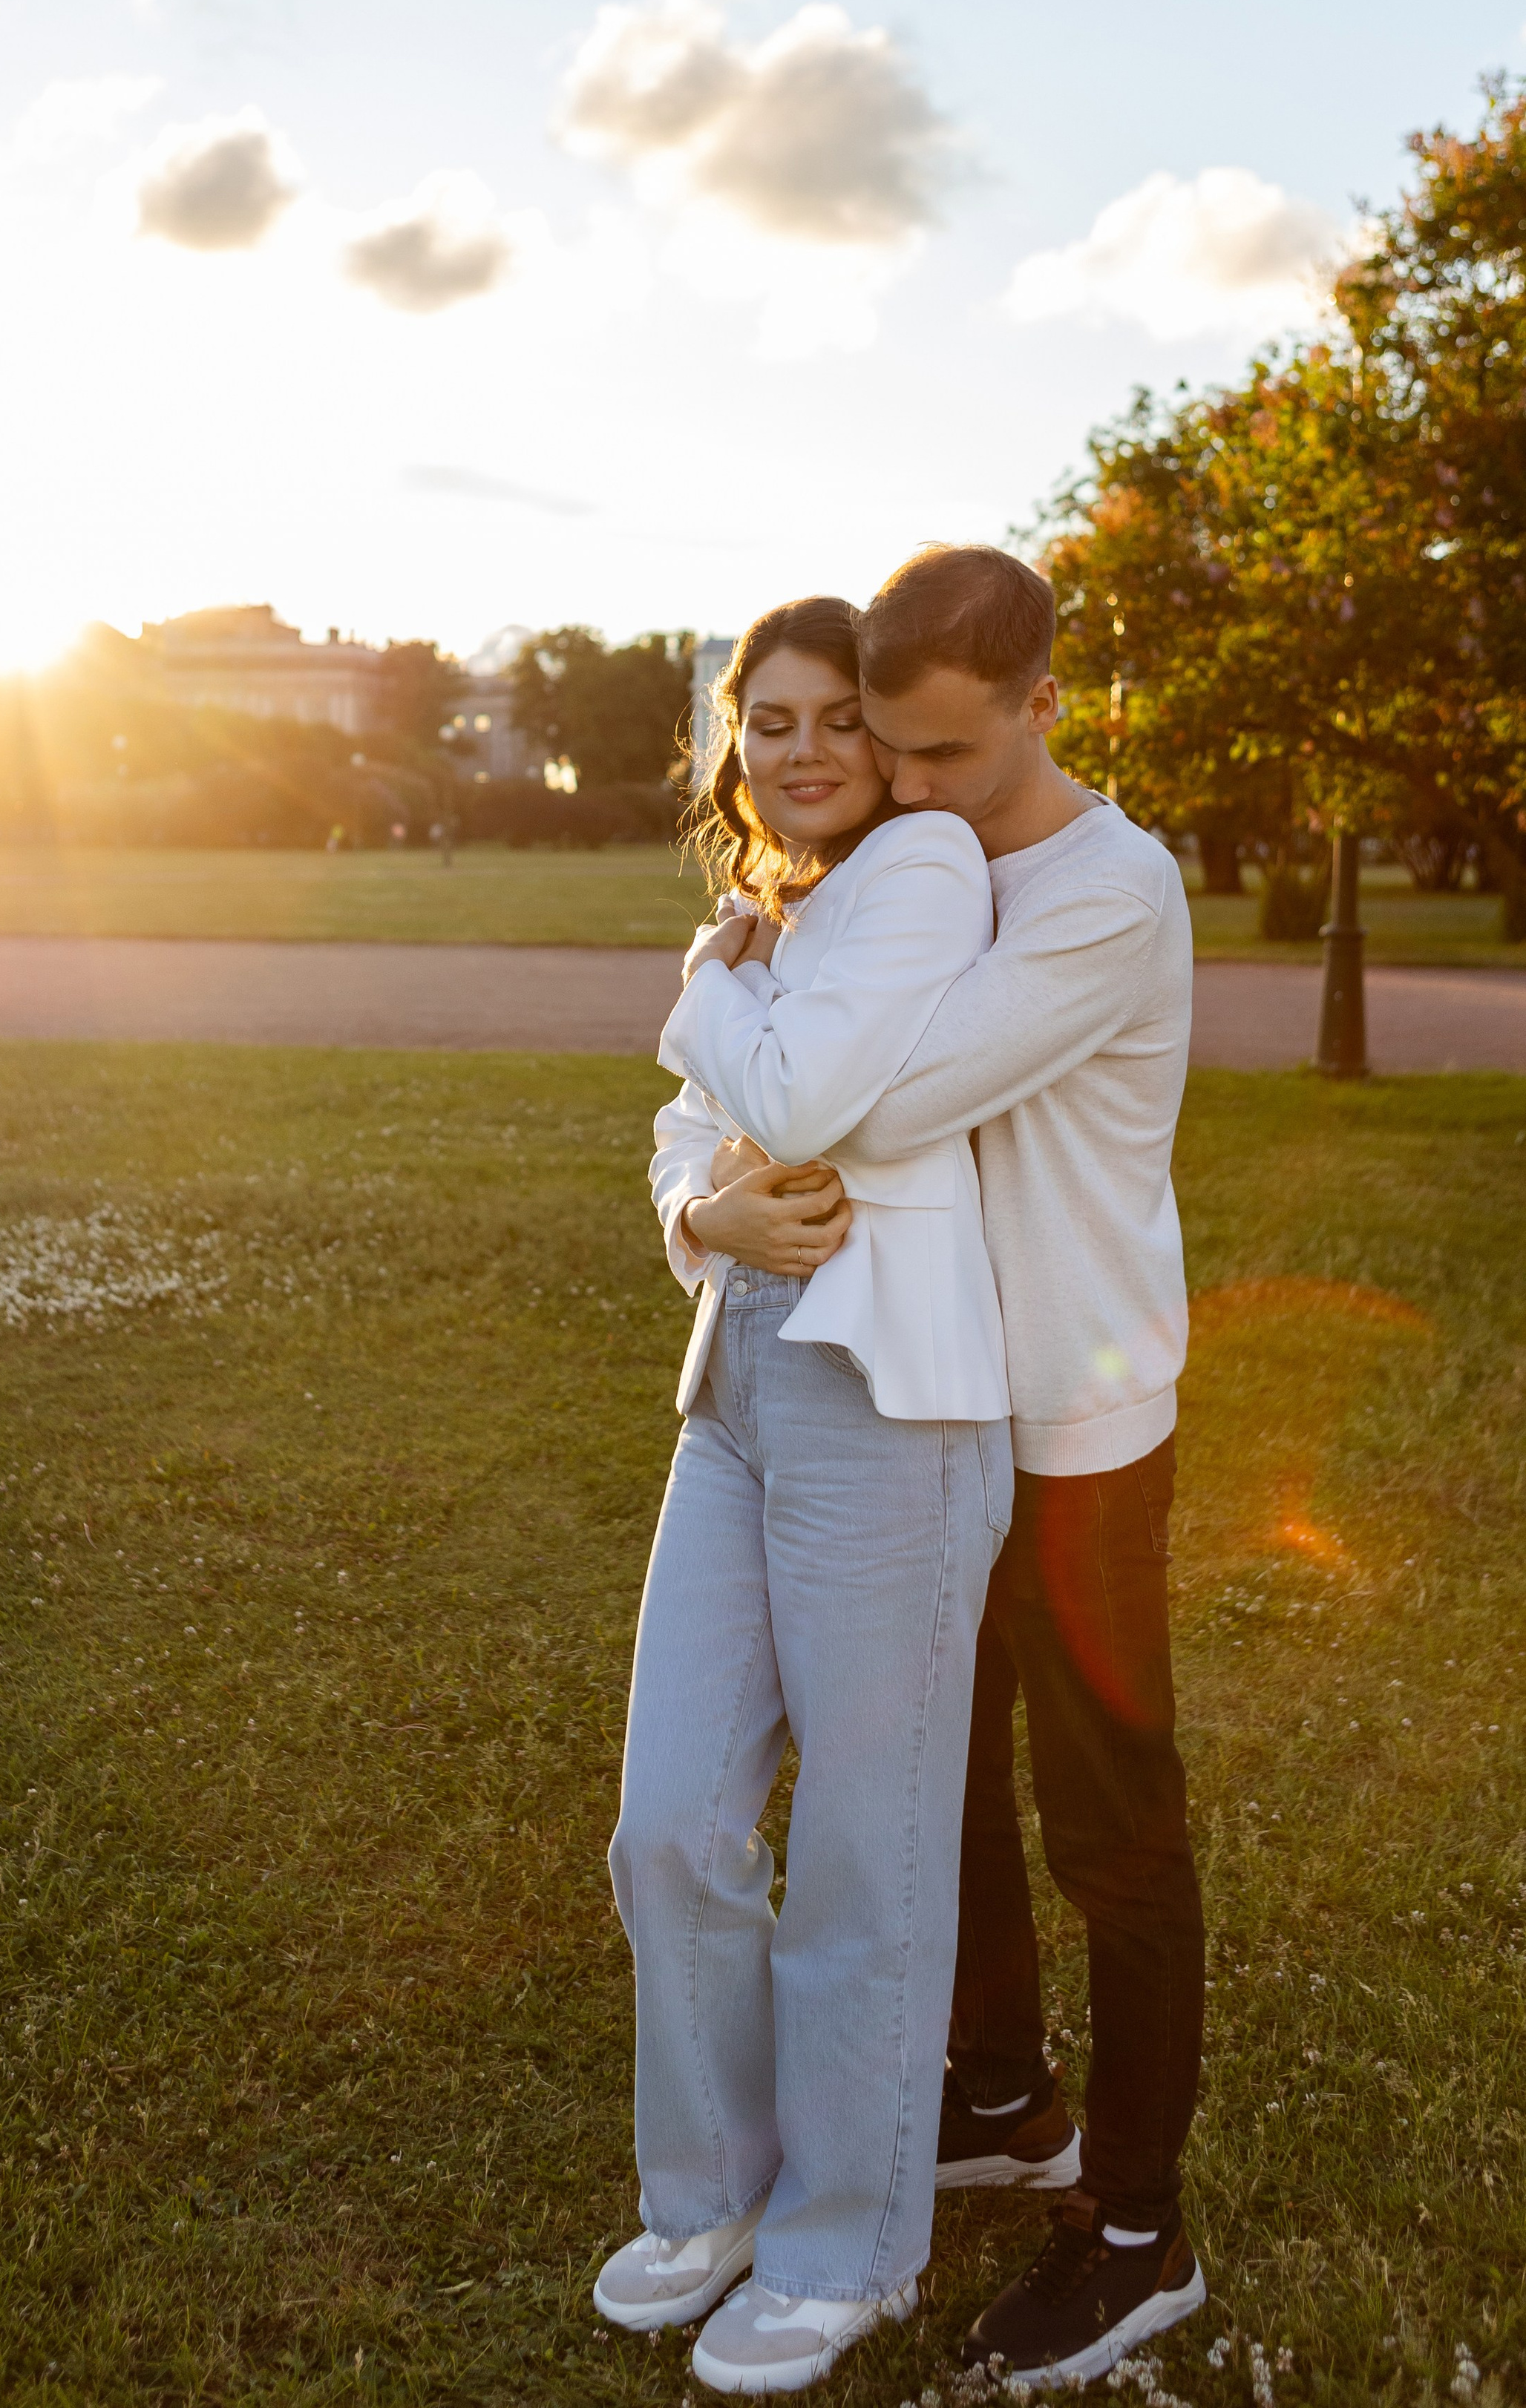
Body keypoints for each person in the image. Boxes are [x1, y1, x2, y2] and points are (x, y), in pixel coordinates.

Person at [595, 596, 1015, 2397]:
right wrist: (704, 1214)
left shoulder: (915, 869)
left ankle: (849, 2244)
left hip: (882, 1405)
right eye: (764, 721)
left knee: (864, 1845)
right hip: (735, 1383)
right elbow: (696, 1137)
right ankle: (711, 2194)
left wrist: (707, 987)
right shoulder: (782, 911)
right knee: (669, 1820)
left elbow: (807, 1087)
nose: (798, 749)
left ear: (887, 735)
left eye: (833, 715)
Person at [842, 542, 1205, 2388]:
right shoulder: (926, 856)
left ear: (1045, 704)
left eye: (952, 759)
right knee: (945, 1788)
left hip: (1075, 1425)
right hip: (940, 1407)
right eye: (888, 755)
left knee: (1110, 1829)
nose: (912, 794)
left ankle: (1136, 2231)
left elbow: (885, 1095)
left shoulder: (1106, 888)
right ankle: (999, 2097)